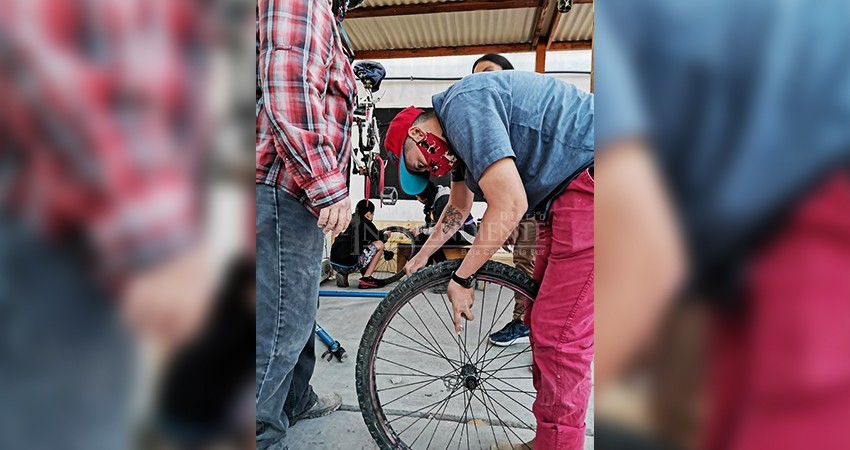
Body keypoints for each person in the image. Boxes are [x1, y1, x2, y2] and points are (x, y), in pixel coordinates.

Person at [385, 70, 594, 450]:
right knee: (540, 320)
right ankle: (549, 439)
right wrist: (423, 256)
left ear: (418, 134)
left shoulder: (464, 107)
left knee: (561, 335)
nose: (431, 172)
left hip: (597, 181)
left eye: (420, 165)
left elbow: (510, 203)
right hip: (565, 193)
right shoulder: (459, 141)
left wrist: (463, 278)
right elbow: (459, 207)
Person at [256, 0, 361, 448]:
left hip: (286, 188)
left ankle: (294, 399)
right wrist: (325, 182)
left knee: (294, 311)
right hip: (286, 184)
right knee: (280, 325)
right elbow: (288, 86)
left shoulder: (324, 14)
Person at [472, 54, 537, 347]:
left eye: (488, 72)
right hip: (528, 205)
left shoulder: (522, 110)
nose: (481, 82)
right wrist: (508, 219)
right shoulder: (493, 122)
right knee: (525, 262)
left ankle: (529, 326)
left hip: (547, 200)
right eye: (475, 76)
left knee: (532, 265)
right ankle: (528, 324)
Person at [410, 181, 477, 265]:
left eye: (418, 197)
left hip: (465, 233)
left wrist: (422, 232)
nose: (418, 199)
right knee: (424, 238)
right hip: (452, 231)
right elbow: (431, 225)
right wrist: (418, 229)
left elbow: (443, 227)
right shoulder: (434, 201)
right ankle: (435, 268)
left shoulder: (443, 200)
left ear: (425, 195)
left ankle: (439, 267)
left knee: (425, 239)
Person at [330, 199, 389, 289]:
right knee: (380, 245)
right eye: (372, 214)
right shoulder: (366, 223)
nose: (372, 216)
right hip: (350, 265)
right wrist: (387, 235)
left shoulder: (349, 218)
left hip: (334, 262)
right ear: (368, 214)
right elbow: (380, 239)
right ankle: (366, 279)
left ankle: (343, 274)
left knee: (356, 247)